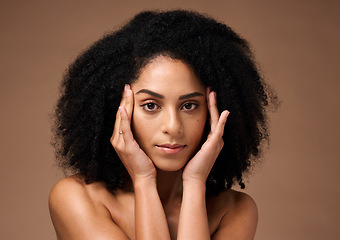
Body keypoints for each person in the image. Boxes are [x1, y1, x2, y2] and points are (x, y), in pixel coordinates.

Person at [49, 10, 277, 240]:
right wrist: (144, 181)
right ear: (116, 109)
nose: (173, 126)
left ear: (212, 112)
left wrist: (194, 185)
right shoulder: (77, 198)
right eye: (150, 105)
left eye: (189, 105)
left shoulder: (234, 210)